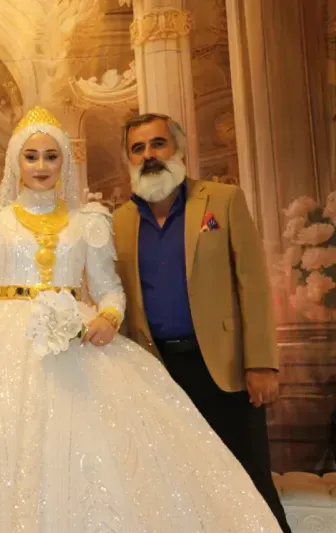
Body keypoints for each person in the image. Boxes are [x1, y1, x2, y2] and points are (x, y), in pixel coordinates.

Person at [0, 106, 284, 532]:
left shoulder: (91, 221)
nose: (41, 165)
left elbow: (109, 288)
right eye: (31, 156)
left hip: (78, 342)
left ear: (64, 162)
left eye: (51, 156)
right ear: (16, 162)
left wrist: (109, 316)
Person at [112, 112, 291, 533]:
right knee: (180, 489)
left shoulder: (223, 200)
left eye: (158, 143)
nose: (149, 155)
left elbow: (253, 285)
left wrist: (261, 363)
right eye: (138, 148)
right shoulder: (118, 221)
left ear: (178, 148)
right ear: (129, 160)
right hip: (158, 377)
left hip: (226, 372)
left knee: (250, 484)